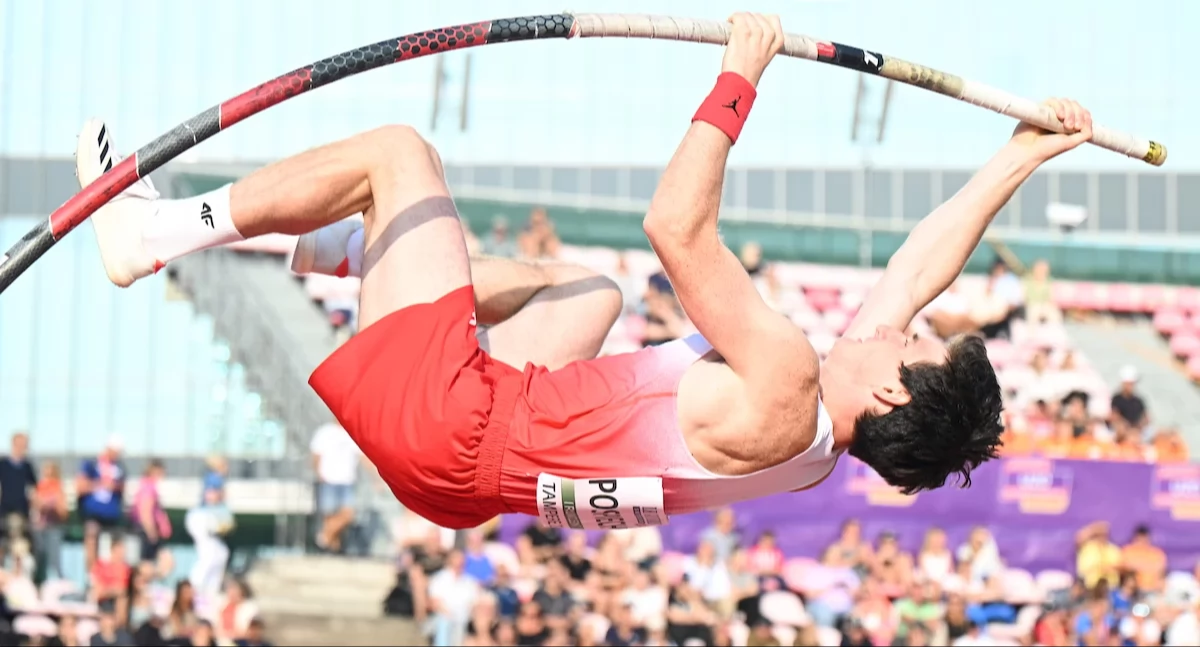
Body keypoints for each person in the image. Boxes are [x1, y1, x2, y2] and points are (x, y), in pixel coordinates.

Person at [76, 13, 1096, 530]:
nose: (902, 322)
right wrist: (1020, 151)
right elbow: (918, 269)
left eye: (913, 341)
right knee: (585, 295)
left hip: (454, 418)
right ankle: (341, 246)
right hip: (460, 484)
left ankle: (159, 233)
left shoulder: (786, 370)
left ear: (891, 387)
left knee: (397, 155)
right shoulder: (816, 442)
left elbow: (674, 224)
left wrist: (740, 75)